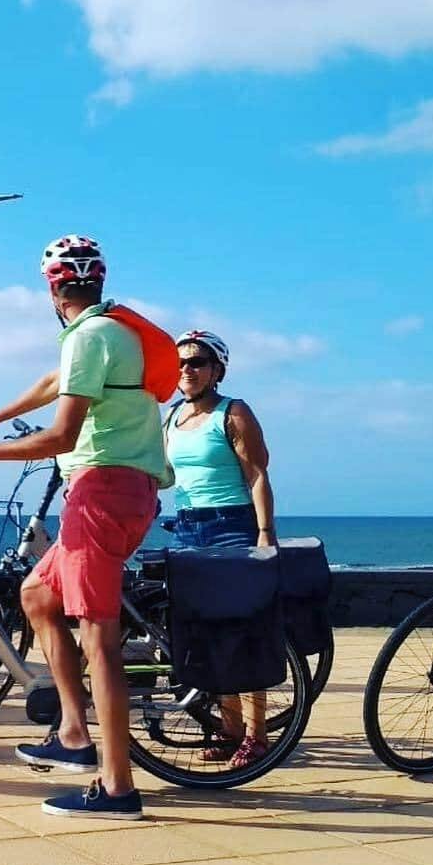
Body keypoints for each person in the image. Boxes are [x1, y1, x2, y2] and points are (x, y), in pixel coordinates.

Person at [0, 236, 169, 821]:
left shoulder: (90, 336)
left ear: (51, 287)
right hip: (118, 488)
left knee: (100, 643)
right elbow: (53, 381)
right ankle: (72, 733)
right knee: (38, 594)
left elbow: (62, 435)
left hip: (103, 490)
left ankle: (118, 789)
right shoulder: (108, 331)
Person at [165, 328, 278, 767]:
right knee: (206, 637)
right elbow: (168, 475)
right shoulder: (172, 417)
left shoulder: (234, 412)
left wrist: (265, 533)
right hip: (187, 528)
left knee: (239, 633)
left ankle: (257, 735)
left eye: (196, 362)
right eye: (180, 364)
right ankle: (230, 731)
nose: (186, 370)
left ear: (217, 370)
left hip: (231, 526)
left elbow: (257, 475)